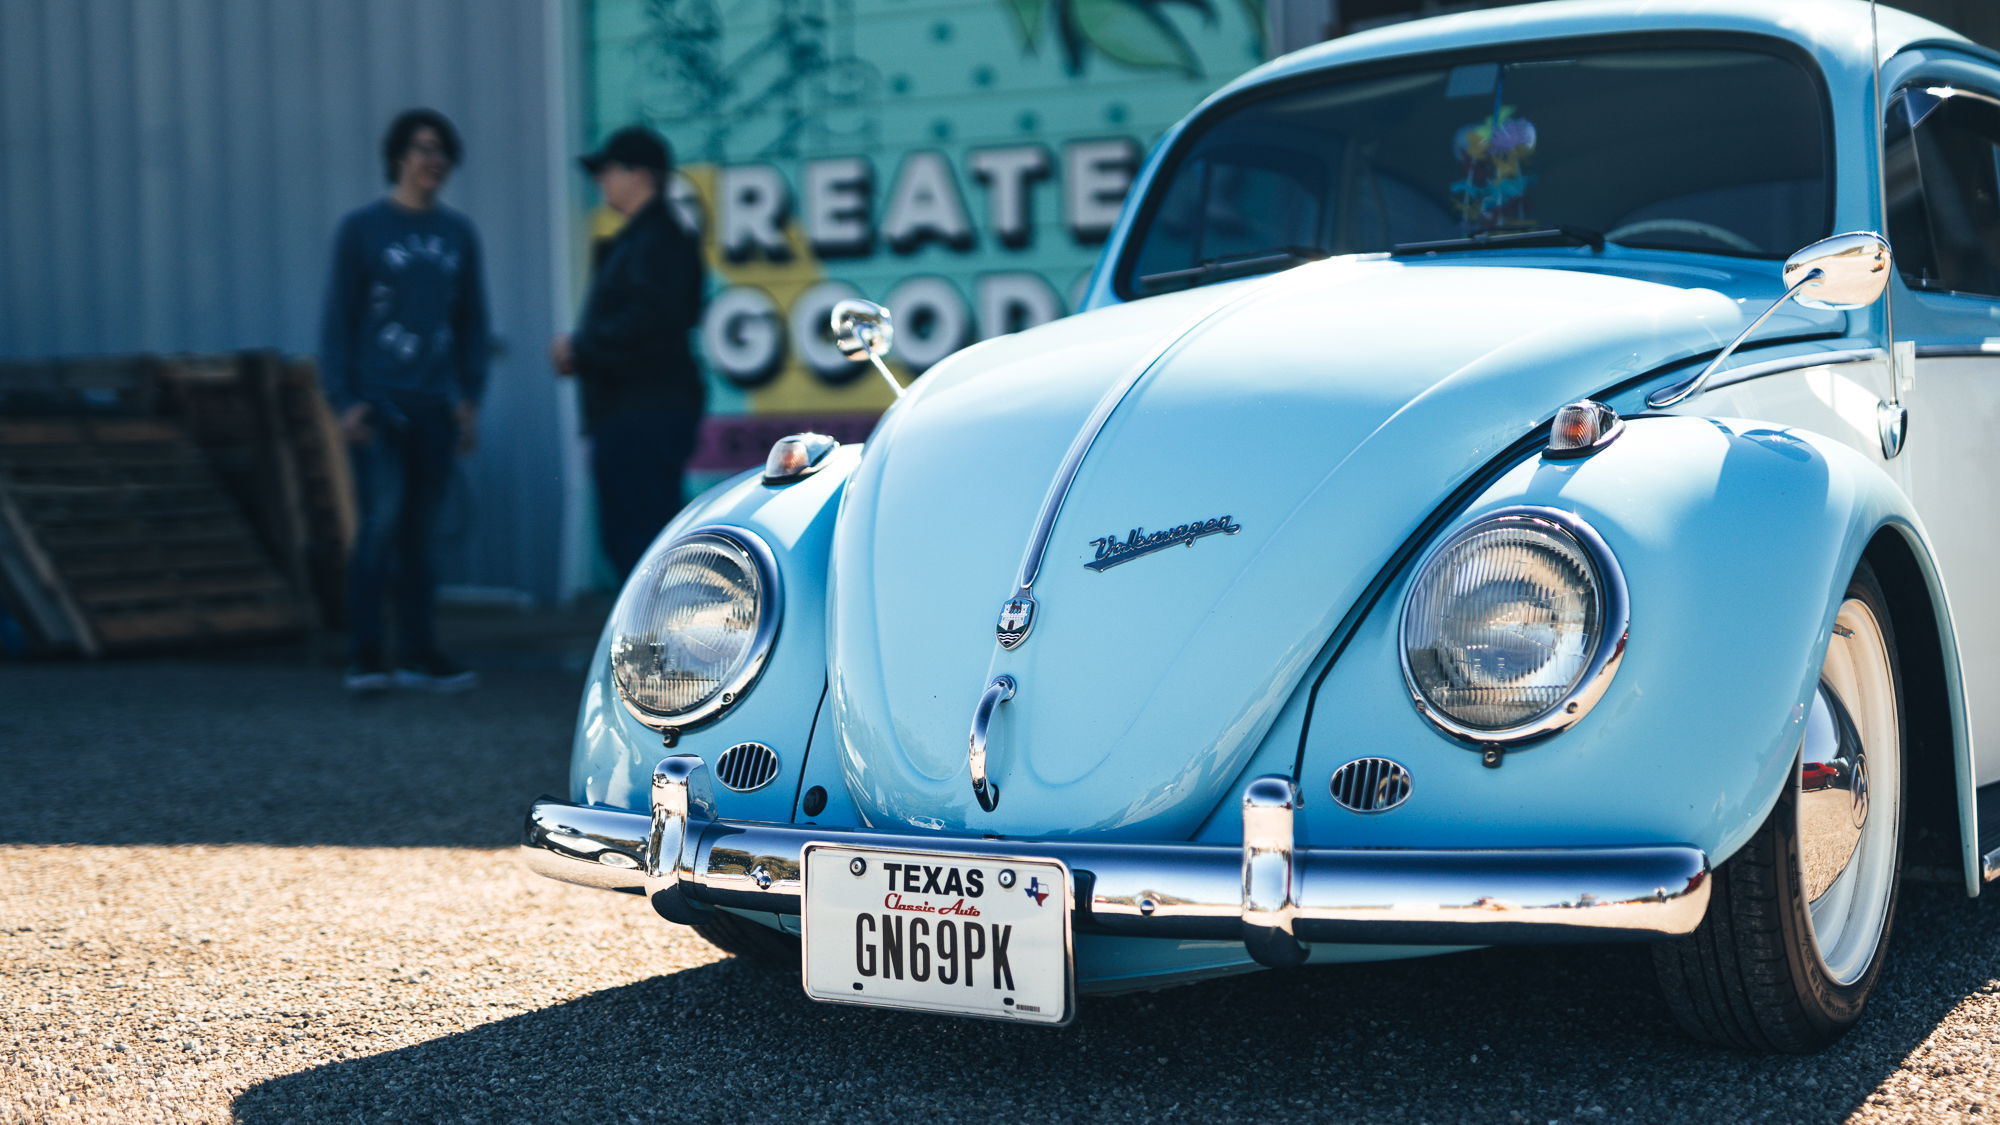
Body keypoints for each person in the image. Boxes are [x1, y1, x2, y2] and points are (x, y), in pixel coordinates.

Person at [320, 108, 488, 693]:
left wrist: (469, 396)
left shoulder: (458, 235)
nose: (431, 160)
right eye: (420, 148)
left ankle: (418, 653)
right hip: (379, 405)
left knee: (420, 532)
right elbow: (339, 321)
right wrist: (343, 399)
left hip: (435, 405)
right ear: (397, 158)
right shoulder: (362, 230)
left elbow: (471, 323)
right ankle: (366, 654)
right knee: (380, 524)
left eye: (441, 150)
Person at [551, 125, 708, 579]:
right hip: (638, 410)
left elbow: (647, 323)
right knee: (638, 541)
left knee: (642, 545)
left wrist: (579, 348)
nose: (601, 181)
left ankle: (653, 646)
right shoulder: (651, 238)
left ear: (640, 174)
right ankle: (652, 643)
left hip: (642, 413)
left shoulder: (657, 241)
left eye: (608, 170)